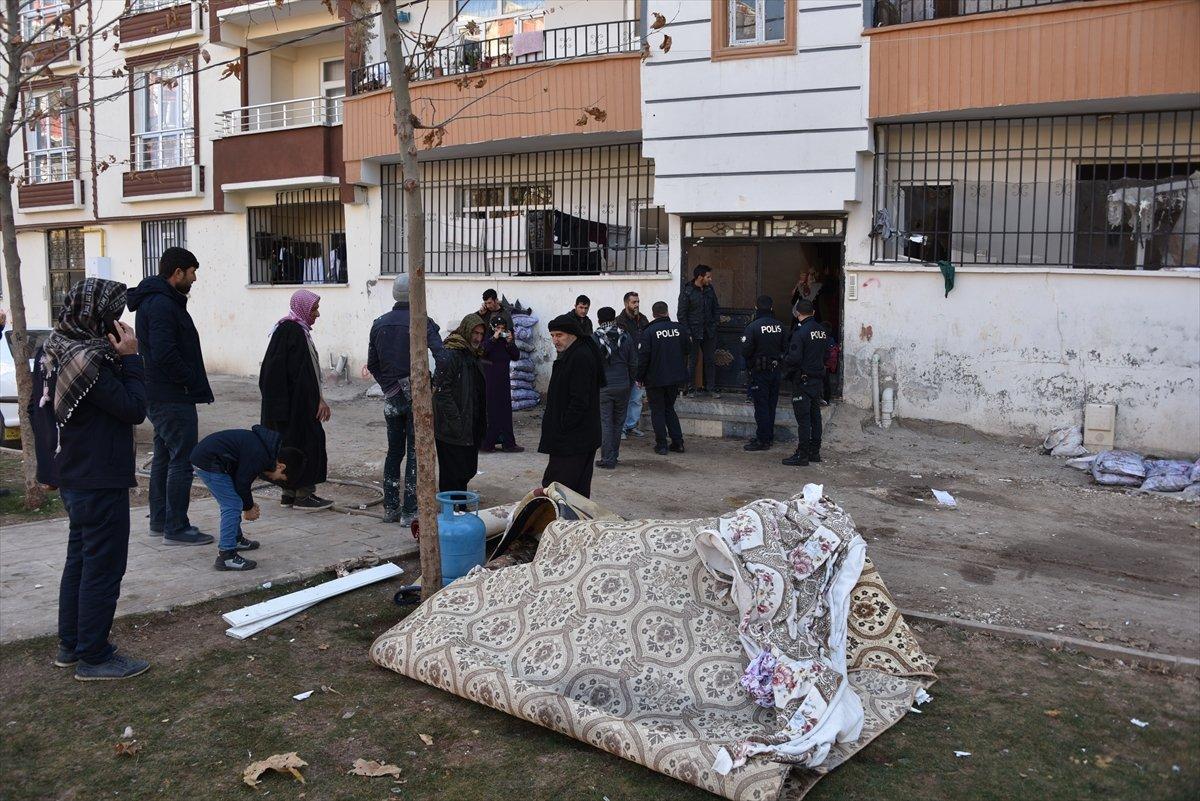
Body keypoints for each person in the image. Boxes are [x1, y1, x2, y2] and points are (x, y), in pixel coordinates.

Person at [30, 278, 150, 680]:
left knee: (80, 560)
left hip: (74, 474)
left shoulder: (53, 348)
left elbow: (39, 413)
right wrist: (132, 358)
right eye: (113, 314)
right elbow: (134, 408)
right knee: (102, 567)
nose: (117, 322)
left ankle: (72, 645)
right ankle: (94, 657)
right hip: (99, 477)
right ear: (97, 315)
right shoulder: (89, 362)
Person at [126, 247, 214, 546]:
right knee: (182, 460)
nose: (194, 279)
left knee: (165, 457)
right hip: (171, 395)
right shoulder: (162, 304)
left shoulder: (159, 301)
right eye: (192, 273)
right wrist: (189, 380)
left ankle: (161, 520)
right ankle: (176, 526)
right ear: (177, 273)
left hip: (163, 393)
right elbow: (165, 353)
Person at [366, 274, 444, 526]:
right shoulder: (422, 322)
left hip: (391, 399)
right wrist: (434, 386)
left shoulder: (379, 323)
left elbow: (373, 364)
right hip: (417, 398)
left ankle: (391, 508)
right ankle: (410, 512)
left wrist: (391, 388)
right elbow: (442, 357)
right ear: (416, 295)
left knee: (394, 452)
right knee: (414, 452)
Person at [191, 426, 305, 572]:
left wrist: (248, 504)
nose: (276, 480)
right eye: (281, 479)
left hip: (214, 459)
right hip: (208, 462)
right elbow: (242, 483)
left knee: (233, 501)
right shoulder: (260, 456)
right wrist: (248, 508)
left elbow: (242, 481)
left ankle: (236, 539)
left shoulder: (265, 452)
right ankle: (226, 556)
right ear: (281, 466)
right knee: (232, 504)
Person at [259, 289, 332, 510]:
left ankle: (289, 492)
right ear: (303, 309)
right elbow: (302, 376)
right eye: (314, 309)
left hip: (284, 407)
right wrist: (317, 401)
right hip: (297, 407)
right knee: (307, 444)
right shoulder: (294, 332)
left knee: (288, 445)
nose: (317, 314)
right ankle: (304, 494)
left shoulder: (288, 329)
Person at [538, 313, 603, 496]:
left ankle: (561, 524)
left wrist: (563, 427)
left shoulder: (580, 356)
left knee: (558, 489)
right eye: (552, 335)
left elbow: (579, 400)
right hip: (578, 437)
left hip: (573, 439)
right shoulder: (575, 352)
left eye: (559, 335)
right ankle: (573, 525)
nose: (554, 340)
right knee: (576, 490)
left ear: (572, 334)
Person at [433, 314, 487, 492]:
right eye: (475, 333)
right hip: (452, 428)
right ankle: (453, 513)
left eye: (481, 333)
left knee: (466, 470)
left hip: (469, 425)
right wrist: (456, 421)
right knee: (452, 475)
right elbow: (441, 393)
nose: (478, 338)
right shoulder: (452, 354)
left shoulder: (473, 355)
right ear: (466, 330)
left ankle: (460, 509)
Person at [782, 299, 831, 467]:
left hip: (803, 381)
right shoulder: (822, 331)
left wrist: (784, 360)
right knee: (815, 416)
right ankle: (814, 452)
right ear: (814, 312)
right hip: (817, 380)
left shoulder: (800, 332)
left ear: (797, 314)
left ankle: (802, 455)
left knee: (804, 420)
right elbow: (826, 355)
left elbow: (794, 359)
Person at [637, 301, 689, 456]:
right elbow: (688, 350)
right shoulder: (680, 329)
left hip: (655, 379)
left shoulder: (649, 332)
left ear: (653, 314)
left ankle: (661, 445)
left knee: (658, 411)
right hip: (675, 378)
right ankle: (678, 442)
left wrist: (639, 377)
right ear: (667, 312)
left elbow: (643, 357)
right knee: (669, 409)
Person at [741, 295, 785, 452]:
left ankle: (762, 440)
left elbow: (745, 350)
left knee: (761, 406)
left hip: (759, 372)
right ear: (772, 308)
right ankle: (768, 436)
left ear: (756, 307)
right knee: (771, 405)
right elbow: (785, 348)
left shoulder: (753, 326)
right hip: (775, 371)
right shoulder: (780, 326)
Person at [593, 306, 635, 470]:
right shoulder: (626, 336)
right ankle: (614, 456)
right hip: (623, 385)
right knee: (618, 423)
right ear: (615, 319)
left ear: (598, 320)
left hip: (604, 387)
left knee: (606, 423)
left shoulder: (595, 338)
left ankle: (607, 458)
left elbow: (592, 365)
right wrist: (629, 382)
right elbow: (633, 363)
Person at [480, 314, 523, 453]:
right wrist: (494, 338)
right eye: (497, 328)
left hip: (503, 382)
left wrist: (510, 342)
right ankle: (488, 443)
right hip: (490, 382)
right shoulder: (487, 340)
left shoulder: (505, 342)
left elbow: (516, 356)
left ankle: (508, 443)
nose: (500, 331)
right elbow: (482, 351)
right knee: (492, 412)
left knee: (505, 412)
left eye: (502, 328)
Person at [678, 264, 719, 397]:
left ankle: (711, 388)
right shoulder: (687, 291)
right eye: (708, 276)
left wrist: (714, 323)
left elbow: (716, 308)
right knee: (692, 360)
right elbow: (682, 314)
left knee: (710, 360)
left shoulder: (710, 290)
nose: (710, 279)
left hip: (708, 331)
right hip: (693, 332)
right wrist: (687, 332)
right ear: (700, 277)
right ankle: (689, 388)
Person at [616, 291, 649, 439]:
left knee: (636, 399)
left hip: (639, 366)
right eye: (633, 302)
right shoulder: (619, 321)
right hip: (624, 367)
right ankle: (621, 428)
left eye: (638, 302)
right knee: (623, 399)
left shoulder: (643, 320)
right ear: (626, 303)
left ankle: (631, 426)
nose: (636, 305)